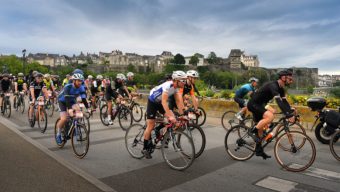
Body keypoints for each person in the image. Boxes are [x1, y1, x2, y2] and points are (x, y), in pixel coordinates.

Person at [247, 70, 295, 159]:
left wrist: (290, 112)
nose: (291, 80)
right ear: (283, 77)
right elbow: (278, 102)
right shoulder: (273, 86)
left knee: (260, 130)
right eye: (290, 78)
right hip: (253, 104)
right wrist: (288, 115)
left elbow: (284, 102)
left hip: (260, 105)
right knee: (270, 116)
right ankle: (251, 131)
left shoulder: (281, 89)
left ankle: (259, 150)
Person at [142, 71, 187, 159]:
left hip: (160, 103)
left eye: (185, 80)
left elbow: (178, 102)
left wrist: (182, 115)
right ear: (176, 80)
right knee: (151, 124)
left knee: (169, 121)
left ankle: (157, 130)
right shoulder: (168, 85)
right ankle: (145, 148)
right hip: (152, 101)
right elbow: (164, 102)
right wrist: (170, 116)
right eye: (183, 80)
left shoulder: (176, 88)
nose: (184, 82)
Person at [55, 73, 90, 144]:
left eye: (81, 81)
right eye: (78, 81)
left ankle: (74, 126)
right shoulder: (68, 87)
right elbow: (67, 99)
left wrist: (88, 108)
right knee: (64, 118)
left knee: (78, 112)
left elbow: (83, 99)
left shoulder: (81, 87)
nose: (80, 82)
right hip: (62, 101)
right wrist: (70, 109)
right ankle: (58, 134)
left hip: (71, 100)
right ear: (74, 81)